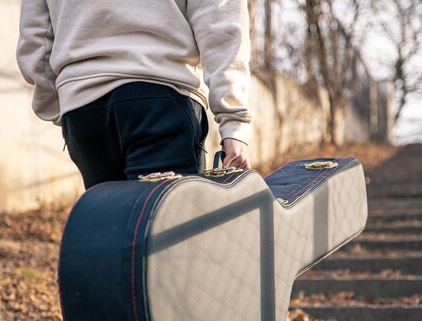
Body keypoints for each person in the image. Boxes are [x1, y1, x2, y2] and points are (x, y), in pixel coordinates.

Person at [16, 0, 253, 188]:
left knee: (113, 230)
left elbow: (35, 38)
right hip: (161, 96)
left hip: (82, 111)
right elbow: (220, 22)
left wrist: (63, 104)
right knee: (166, 233)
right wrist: (234, 121)